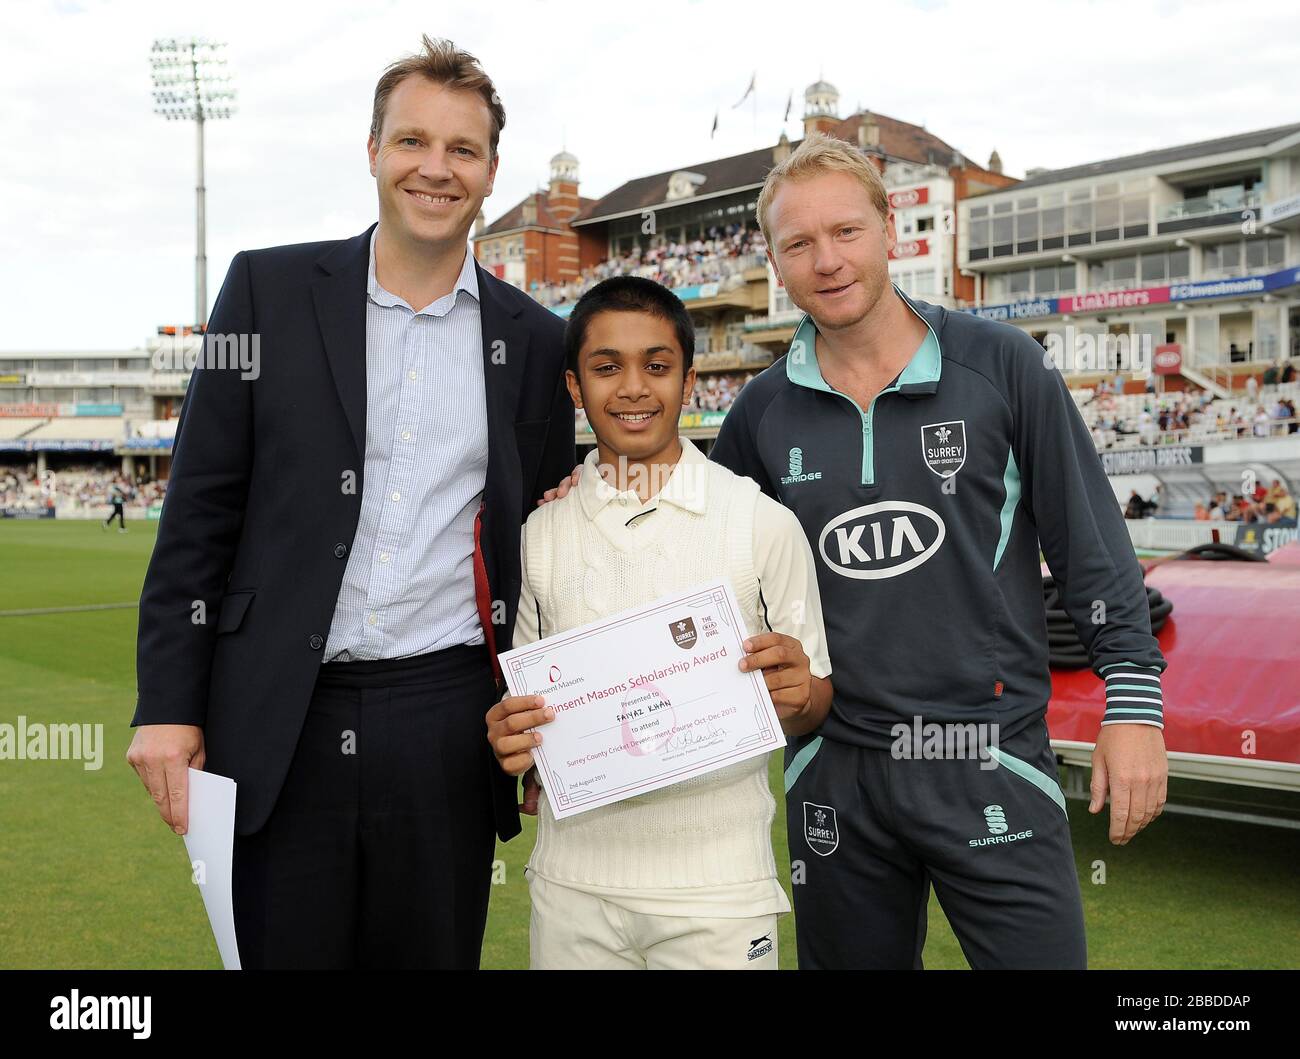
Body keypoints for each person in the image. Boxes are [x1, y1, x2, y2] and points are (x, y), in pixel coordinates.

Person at [549, 134, 1168, 969]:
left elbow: (1092, 551)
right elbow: (688, 534)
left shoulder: (1003, 366)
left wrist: (1132, 707)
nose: (827, 261)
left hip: (985, 756)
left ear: (888, 226)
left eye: (845, 232)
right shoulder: (763, 411)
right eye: (799, 243)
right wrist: (595, 485)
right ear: (773, 258)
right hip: (834, 768)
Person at [126, 36, 575, 969]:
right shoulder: (265, 288)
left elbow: (542, 544)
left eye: (462, 150)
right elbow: (198, 512)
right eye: (413, 141)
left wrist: (556, 720)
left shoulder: (535, 341)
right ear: (372, 150)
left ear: (492, 172)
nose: (435, 168)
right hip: (281, 715)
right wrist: (168, 705)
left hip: (447, 718)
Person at [486, 277, 832, 969]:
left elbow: (812, 702)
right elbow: (523, 706)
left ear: (690, 378)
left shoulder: (762, 522)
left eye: (657, 364)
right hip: (572, 886)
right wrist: (509, 734)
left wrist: (802, 694)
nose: (634, 388)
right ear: (575, 386)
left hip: (719, 892)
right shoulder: (539, 534)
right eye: (607, 367)